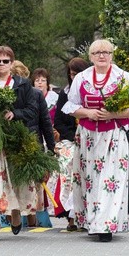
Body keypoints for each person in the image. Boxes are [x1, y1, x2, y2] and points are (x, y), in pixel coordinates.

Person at [62, 39, 129, 242]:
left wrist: (113, 114)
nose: (101, 56)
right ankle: (91, 221)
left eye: (105, 52)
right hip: (87, 135)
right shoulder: (82, 77)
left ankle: (106, 225)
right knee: (90, 179)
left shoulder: (123, 77)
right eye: (97, 53)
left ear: (112, 55)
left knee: (110, 180)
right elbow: (70, 106)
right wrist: (88, 112)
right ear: (91, 57)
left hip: (113, 135)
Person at [0, 46, 39, 242]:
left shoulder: (23, 85)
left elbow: (32, 110)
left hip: (15, 138)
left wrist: (15, 114)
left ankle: (15, 213)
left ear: (12, 64)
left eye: (5, 61)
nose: (1, 64)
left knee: (15, 181)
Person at [48, 57, 90, 231]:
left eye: (77, 74)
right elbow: (58, 122)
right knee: (68, 172)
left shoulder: (91, 92)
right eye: (72, 74)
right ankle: (70, 217)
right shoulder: (64, 94)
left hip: (90, 138)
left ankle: (87, 216)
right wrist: (73, 136)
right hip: (71, 140)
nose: (74, 78)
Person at [11, 60, 54, 228]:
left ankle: (31, 221)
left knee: (32, 185)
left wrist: (50, 148)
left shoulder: (35, 94)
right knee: (23, 184)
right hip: (18, 143)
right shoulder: (6, 93)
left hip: (32, 143)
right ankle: (26, 221)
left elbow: (45, 122)